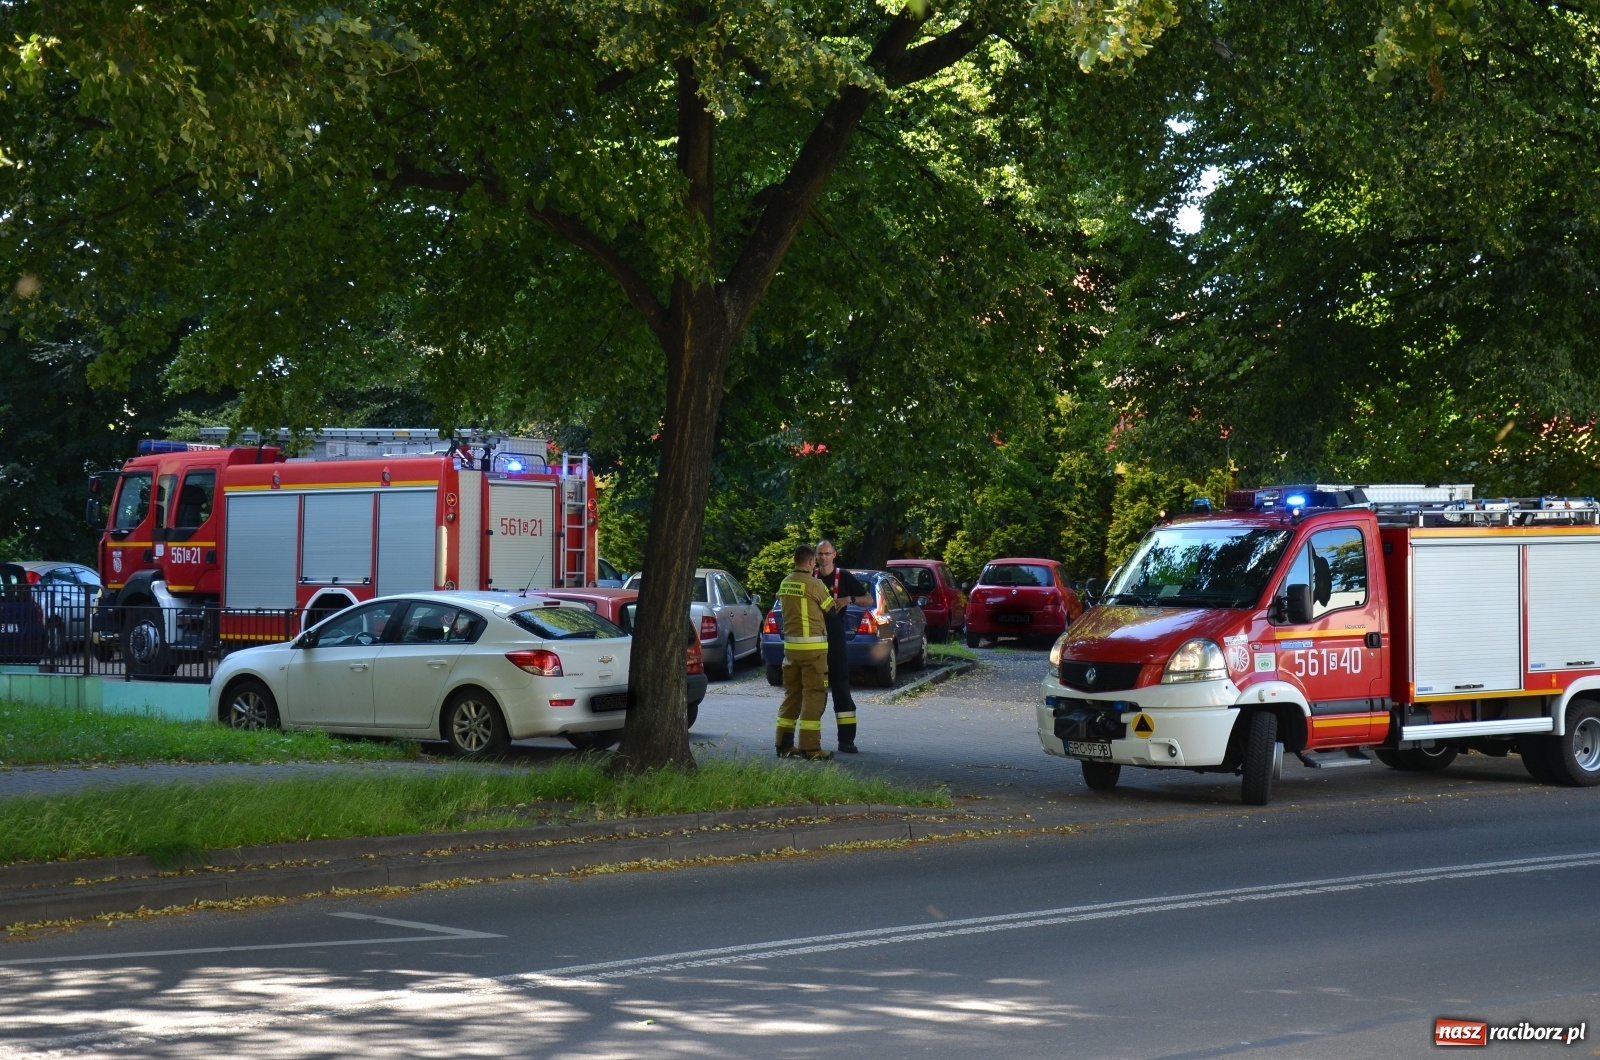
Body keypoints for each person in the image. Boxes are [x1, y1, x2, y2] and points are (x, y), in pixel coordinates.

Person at [775, 543, 834, 760]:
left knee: (792, 695)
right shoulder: (815, 584)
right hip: (813, 652)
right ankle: (810, 749)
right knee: (813, 696)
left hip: (791, 652)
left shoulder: (785, 583)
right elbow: (831, 610)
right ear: (811, 562)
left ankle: (783, 745)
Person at [815, 539, 871, 753]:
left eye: (827, 553)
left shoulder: (844, 577)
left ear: (834, 555)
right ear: (815, 556)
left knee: (841, 686)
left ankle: (846, 740)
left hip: (836, 635)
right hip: (814, 636)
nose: (823, 558)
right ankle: (810, 740)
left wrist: (849, 599)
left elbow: (868, 600)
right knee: (814, 688)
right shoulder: (810, 577)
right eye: (820, 554)